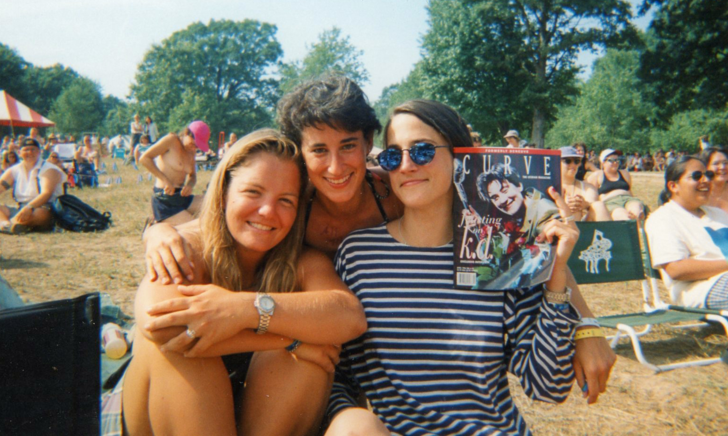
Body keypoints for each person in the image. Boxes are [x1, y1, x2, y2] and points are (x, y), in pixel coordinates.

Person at [145, 76, 615, 404]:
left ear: (368, 144)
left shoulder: (395, 195)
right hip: (279, 338)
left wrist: (587, 325)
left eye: (348, 146)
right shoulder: (293, 200)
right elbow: (207, 222)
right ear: (301, 153)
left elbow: (524, 241)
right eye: (319, 151)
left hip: (339, 348)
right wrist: (159, 231)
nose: (335, 167)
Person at [325, 100, 581, 435]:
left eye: (422, 151)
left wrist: (557, 278)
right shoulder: (358, 255)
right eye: (391, 155)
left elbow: (548, 386)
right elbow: (337, 376)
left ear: (461, 156)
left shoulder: (499, 253)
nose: (406, 165)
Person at [101, 129, 367, 436]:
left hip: (254, 418)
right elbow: (161, 326)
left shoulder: (300, 261)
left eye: (285, 200)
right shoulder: (186, 247)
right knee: (186, 349)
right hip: (165, 411)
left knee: (311, 351)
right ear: (224, 192)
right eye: (253, 192)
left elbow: (349, 315)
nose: (267, 211)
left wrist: (245, 308)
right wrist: (289, 339)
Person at [645, 156, 728, 309]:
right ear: (673, 186)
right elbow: (676, 269)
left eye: (708, 175)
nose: (706, 180)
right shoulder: (663, 219)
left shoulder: (719, 215)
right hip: (700, 289)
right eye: (697, 176)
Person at [139, 120, 209, 225]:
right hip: (165, 199)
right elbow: (144, 158)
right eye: (193, 143)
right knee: (197, 228)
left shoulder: (191, 151)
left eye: (197, 146)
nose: (194, 148)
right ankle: (156, 224)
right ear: (186, 133)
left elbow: (192, 175)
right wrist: (165, 180)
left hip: (181, 197)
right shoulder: (171, 140)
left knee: (214, 204)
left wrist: (189, 185)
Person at [0, 138, 64, 234]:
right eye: (26, 149)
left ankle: (11, 225)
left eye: (33, 149)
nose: (30, 152)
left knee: (40, 213)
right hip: (21, 208)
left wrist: (29, 207)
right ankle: (7, 225)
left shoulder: (49, 169)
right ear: (19, 152)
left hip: (43, 208)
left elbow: (46, 193)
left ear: (39, 152)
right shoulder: (14, 170)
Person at [587, 149, 647, 221]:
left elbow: (630, 191)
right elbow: (591, 196)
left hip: (628, 199)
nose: (615, 162)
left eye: (617, 160)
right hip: (610, 203)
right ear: (603, 163)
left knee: (636, 210)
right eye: (611, 160)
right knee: (623, 215)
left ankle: (639, 230)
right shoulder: (597, 175)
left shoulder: (624, 173)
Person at [560, 146, 610, 221]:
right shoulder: (550, 186)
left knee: (598, 205)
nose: (573, 165)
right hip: (558, 225)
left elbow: (592, 201)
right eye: (568, 161)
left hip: (584, 227)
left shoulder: (587, 187)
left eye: (576, 161)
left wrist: (584, 204)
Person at [700, 147, 728, 213]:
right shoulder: (698, 195)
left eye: (725, 163)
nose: (722, 167)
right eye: (716, 163)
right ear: (705, 167)